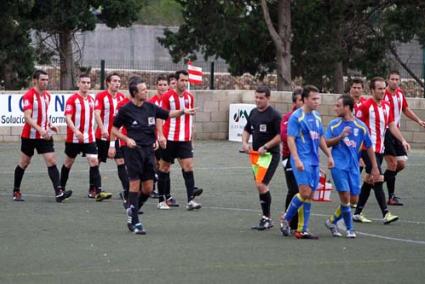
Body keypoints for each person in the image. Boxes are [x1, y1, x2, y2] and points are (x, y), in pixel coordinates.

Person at [111, 76, 195, 234]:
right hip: (133, 151)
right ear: (135, 93)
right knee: (135, 184)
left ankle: (132, 210)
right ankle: (135, 221)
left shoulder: (151, 107)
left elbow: (169, 114)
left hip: (148, 151)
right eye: (143, 89)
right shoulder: (125, 110)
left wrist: (184, 111)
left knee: (148, 189)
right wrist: (126, 139)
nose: (146, 91)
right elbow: (114, 130)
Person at [280, 85, 334, 239]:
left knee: (309, 195)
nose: (317, 101)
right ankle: (286, 218)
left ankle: (301, 229)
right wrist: (296, 159)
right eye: (314, 98)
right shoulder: (296, 117)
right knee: (304, 192)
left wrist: (329, 155)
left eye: (318, 98)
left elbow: (321, 138)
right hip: (302, 159)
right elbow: (290, 139)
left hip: (314, 161)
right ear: (305, 99)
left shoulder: (317, 116)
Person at [353, 76, 410, 224]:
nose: (383, 91)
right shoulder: (365, 106)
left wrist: (403, 140)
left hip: (380, 149)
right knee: (378, 178)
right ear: (372, 90)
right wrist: (357, 152)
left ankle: (357, 213)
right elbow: (356, 129)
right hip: (367, 149)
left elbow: (392, 126)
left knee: (370, 180)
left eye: (384, 88)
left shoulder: (386, 106)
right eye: (379, 88)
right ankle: (386, 213)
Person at [324, 95, 380, 238]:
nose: (335, 108)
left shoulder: (361, 126)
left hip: (353, 166)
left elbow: (368, 146)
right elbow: (325, 143)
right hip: (338, 165)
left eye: (338, 106)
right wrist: (340, 137)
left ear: (347, 107)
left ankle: (332, 221)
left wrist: (374, 166)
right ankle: (350, 229)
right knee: (345, 195)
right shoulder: (334, 125)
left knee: (353, 199)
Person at [12, 69, 72, 202]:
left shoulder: (47, 96)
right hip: (29, 136)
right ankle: (16, 190)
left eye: (46, 80)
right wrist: (40, 129)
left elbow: (43, 114)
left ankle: (58, 193)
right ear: (35, 80)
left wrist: (50, 124)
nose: (45, 82)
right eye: (42, 80)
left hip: (44, 136)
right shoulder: (29, 96)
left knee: (51, 160)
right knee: (24, 163)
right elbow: (27, 117)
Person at [60, 74, 112, 201]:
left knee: (94, 161)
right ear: (78, 83)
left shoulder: (91, 99)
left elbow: (96, 115)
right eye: (83, 82)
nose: (86, 85)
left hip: (89, 137)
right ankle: (60, 189)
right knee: (68, 163)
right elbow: (67, 117)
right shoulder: (72, 99)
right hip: (74, 138)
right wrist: (76, 131)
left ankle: (98, 191)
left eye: (88, 83)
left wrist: (103, 129)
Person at [157, 70, 203, 210]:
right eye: (182, 80)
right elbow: (160, 116)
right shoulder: (167, 97)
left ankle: (190, 200)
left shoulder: (190, 97)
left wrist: (191, 137)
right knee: (164, 168)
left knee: (188, 166)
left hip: (184, 139)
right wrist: (160, 135)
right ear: (176, 81)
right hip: (169, 138)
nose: (184, 83)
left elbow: (190, 119)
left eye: (186, 81)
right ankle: (161, 200)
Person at [242, 86, 281, 230]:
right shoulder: (253, 112)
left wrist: (266, 146)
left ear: (268, 98)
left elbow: (279, 136)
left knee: (261, 185)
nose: (258, 100)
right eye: (256, 97)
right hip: (256, 156)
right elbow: (247, 130)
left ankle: (267, 218)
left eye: (261, 98)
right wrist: (245, 143)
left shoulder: (275, 115)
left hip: (270, 155)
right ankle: (266, 218)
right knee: (260, 186)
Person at [383, 71, 425, 206]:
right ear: (387, 80)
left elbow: (405, 109)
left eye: (397, 79)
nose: (395, 81)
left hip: (396, 131)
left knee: (401, 164)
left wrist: (418, 120)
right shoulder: (383, 94)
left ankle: (378, 181)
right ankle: (391, 197)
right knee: (393, 164)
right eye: (392, 79)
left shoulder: (400, 93)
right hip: (385, 132)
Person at [94, 72, 128, 198]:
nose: (117, 83)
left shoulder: (122, 98)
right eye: (114, 81)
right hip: (102, 136)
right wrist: (103, 129)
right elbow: (97, 114)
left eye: (119, 81)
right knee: (96, 162)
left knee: (120, 161)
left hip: (116, 137)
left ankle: (127, 190)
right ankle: (95, 189)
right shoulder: (101, 96)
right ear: (108, 82)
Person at [280, 88, 303, 231]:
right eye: (301, 99)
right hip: (289, 158)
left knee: (304, 190)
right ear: (295, 102)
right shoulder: (288, 118)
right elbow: (284, 136)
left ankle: (298, 224)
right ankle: (288, 220)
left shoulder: (311, 117)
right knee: (293, 189)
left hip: (305, 158)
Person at [148, 75, 170, 201]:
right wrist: (154, 138)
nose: (162, 87)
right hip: (156, 138)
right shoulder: (152, 102)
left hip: (169, 138)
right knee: (155, 163)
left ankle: (165, 191)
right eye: (160, 85)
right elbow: (150, 122)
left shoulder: (171, 100)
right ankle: (153, 188)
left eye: (164, 85)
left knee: (165, 165)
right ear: (156, 86)